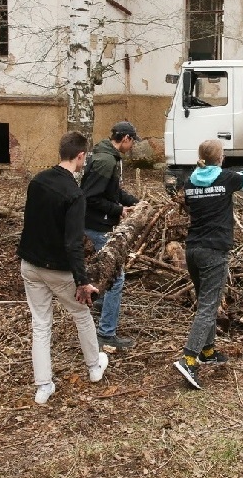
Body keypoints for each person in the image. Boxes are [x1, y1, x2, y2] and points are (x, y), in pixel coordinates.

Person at [173, 139, 243, 390]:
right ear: (220, 158)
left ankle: (207, 351)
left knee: (204, 303)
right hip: (214, 252)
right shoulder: (225, 179)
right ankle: (188, 359)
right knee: (208, 307)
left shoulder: (190, 182)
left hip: (192, 250)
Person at [17, 131, 108, 405]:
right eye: (84, 158)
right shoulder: (74, 194)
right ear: (80, 156)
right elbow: (73, 243)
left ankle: (43, 386)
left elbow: (31, 222)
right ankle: (94, 367)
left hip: (30, 264)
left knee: (40, 324)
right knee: (82, 314)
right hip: (57, 269)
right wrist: (83, 281)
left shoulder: (38, 181)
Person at [80, 121, 141, 350]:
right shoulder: (106, 161)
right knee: (116, 277)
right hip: (98, 225)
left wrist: (136, 202)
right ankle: (106, 332)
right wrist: (118, 210)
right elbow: (91, 197)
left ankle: (100, 306)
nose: (132, 146)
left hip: (99, 222)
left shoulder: (108, 156)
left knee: (107, 272)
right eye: (132, 141)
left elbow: (112, 192)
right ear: (125, 138)